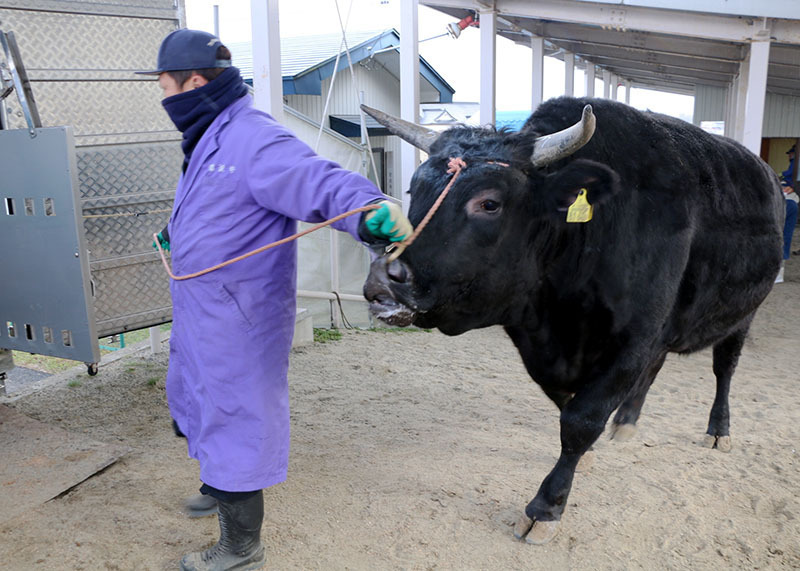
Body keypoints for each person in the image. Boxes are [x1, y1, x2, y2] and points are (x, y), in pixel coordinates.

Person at [138, 29, 411, 571]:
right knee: (199, 400)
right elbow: (218, 202)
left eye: (165, 82)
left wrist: (368, 210)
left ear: (193, 81)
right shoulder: (209, 133)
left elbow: (317, 180)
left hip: (238, 314)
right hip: (204, 309)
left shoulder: (251, 136)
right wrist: (178, 231)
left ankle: (240, 548)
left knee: (236, 416)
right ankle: (220, 489)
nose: (163, 93)